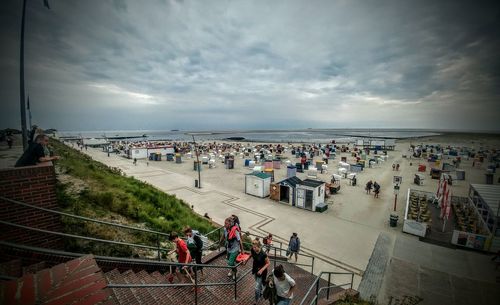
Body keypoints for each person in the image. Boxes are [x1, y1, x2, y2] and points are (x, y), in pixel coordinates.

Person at [243, 239, 270, 305]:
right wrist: (246, 260)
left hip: (262, 272)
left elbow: (268, 263)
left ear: (259, 246)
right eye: (253, 247)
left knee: (256, 288)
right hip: (255, 269)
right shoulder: (253, 250)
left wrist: (261, 270)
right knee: (258, 282)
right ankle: (261, 290)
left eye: (255, 247)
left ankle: (256, 301)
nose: (254, 248)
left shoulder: (263, 254)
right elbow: (251, 255)